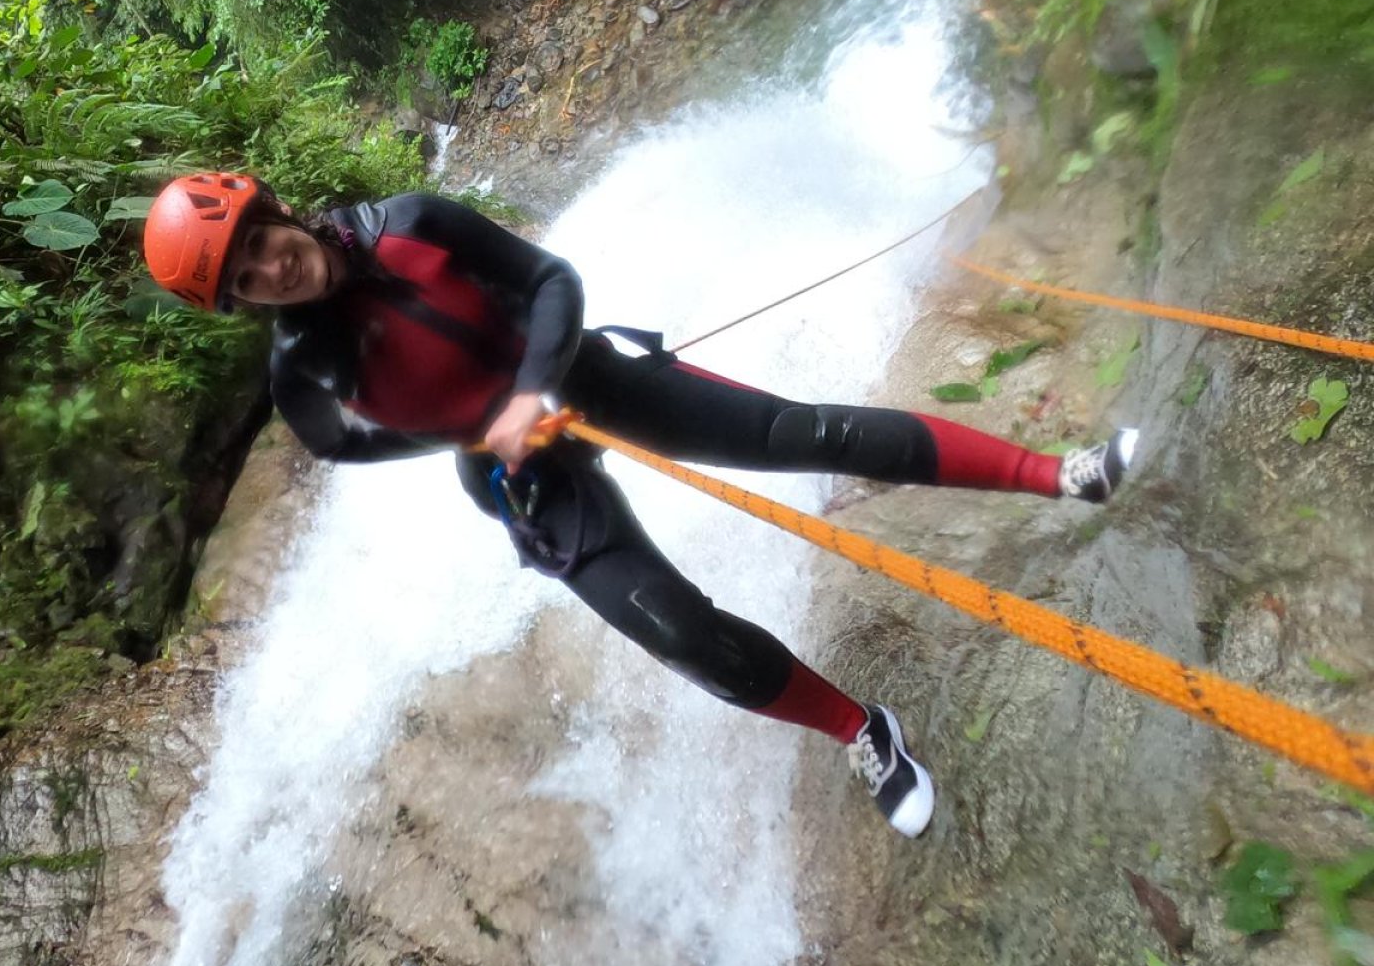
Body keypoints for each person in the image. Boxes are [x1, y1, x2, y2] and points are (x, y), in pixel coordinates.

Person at [142, 173, 1138, 838]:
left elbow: (549, 282)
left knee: (809, 435)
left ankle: (1061, 476)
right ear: (243, 306)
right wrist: (484, 432)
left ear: (271, 212)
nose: (270, 268)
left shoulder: (413, 224)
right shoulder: (302, 383)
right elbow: (360, 442)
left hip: (591, 378)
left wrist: (532, 387)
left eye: (257, 243)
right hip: (523, 476)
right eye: (244, 281)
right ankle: (861, 731)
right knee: (675, 629)